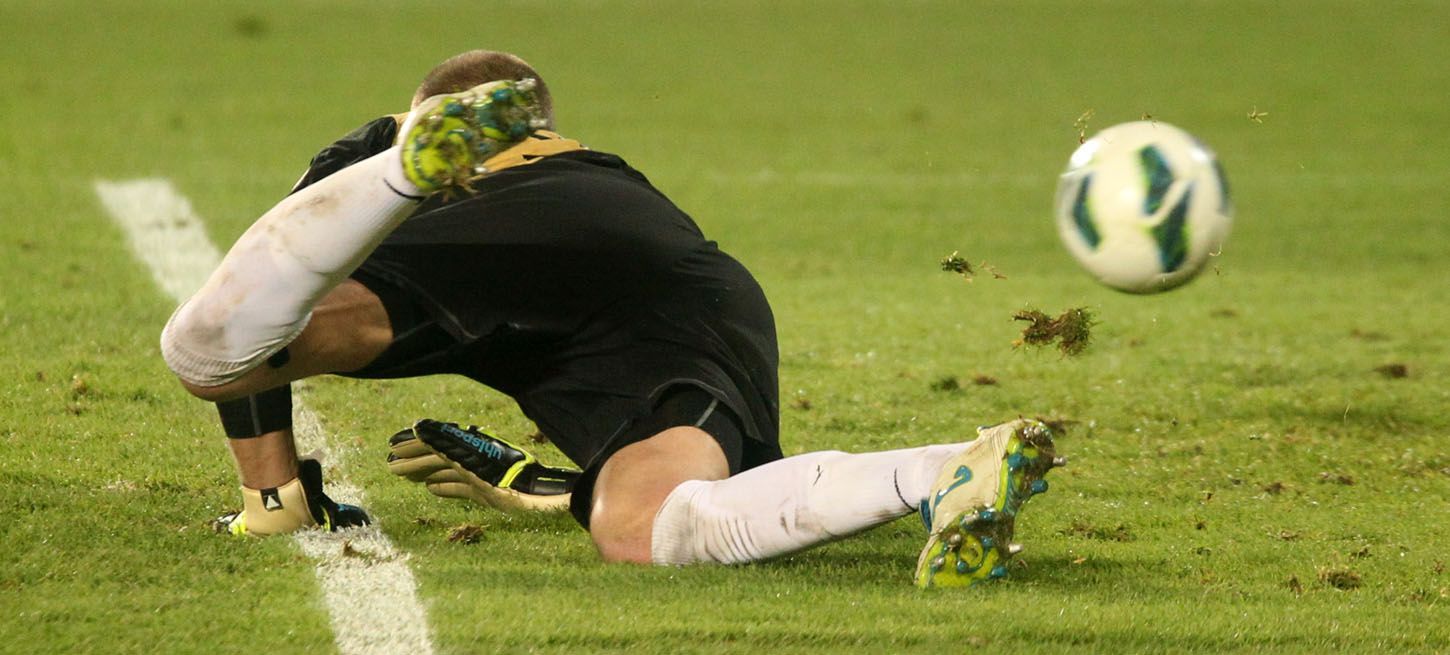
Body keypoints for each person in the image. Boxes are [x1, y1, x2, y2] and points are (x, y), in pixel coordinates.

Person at [161, 50, 1065, 587]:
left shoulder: (381, 142)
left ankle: (403, 175)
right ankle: (946, 471)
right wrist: (549, 486)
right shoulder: (592, 160)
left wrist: (272, 492)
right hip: (681, 289)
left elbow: (256, 297)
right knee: (646, 525)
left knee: (218, 349)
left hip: (500, 223)